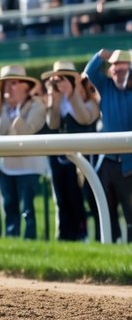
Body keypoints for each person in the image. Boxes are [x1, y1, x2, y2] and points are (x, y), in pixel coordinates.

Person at [41, 61, 100, 241]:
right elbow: (53, 124)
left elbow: (84, 118)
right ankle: (67, 234)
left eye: (64, 79)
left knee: (86, 198)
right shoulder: (58, 100)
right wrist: (55, 99)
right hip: (62, 157)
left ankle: (89, 233)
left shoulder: (89, 103)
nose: (60, 83)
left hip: (86, 158)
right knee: (63, 197)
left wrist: (72, 93)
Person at [0, 65, 48, 239]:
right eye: (5, 84)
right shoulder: (5, 107)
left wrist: (19, 110)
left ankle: (30, 241)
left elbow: (26, 130)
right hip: (7, 167)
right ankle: (12, 241)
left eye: (12, 83)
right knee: (9, 207)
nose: (7, 88)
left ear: (25, 87)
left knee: (26, 209)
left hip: (30, 168)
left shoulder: (37, 105)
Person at [84, 49, 132, 242]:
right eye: (114, 67)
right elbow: (90, 71)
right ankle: (109, 249)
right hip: (108, 162)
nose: (117, 71)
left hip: (130, 164)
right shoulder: (105, 87)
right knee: (106, 211)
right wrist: (103, 54)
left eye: (123, 67)